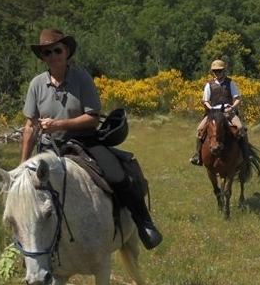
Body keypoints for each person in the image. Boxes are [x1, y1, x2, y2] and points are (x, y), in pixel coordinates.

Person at [21, 28, 162, 250]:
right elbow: (30, 125)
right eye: (47, 53)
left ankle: (144, 223)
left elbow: (92, 118)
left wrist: (58, 124)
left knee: (118, 176)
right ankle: (31, 246)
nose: (52, 56)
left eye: (57, 50)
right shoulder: (36, 84)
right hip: (49, 148)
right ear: (43, 57)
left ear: (66, 51)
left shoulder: (82, 78)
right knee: (29, 193)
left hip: (84, 141)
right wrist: (23, 163)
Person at [189, 59, 252, 165]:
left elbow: (237, 98)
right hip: (213, 112)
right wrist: (211, 108)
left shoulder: (230, 82)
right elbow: (205, 100)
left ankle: (247, 154)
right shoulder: (209, 85)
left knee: (241, 128)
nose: (217, 73)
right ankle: (198, 156)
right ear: (212, 72)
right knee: (199, 129)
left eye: (219, 71)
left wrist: (232, 107)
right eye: (215, 71)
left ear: (223, 71)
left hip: (228, 111)